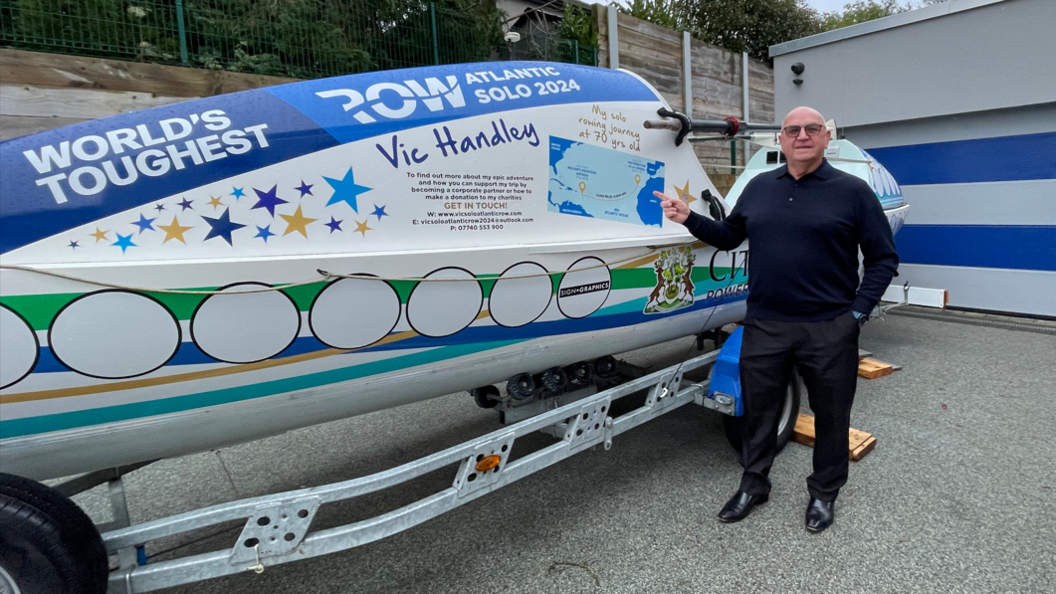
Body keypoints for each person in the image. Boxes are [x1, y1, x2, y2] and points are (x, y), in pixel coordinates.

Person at [654, 106, 898, 533]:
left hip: (829, 327)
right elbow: (729, 236)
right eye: (792, 130)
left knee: (832, 416)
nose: (802, 135)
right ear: (781, 140)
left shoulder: (853, 192)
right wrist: (688, 216)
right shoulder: (759, 188)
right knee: (759, 411)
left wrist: (856, 314)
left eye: (812, 129)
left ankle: (824, 493)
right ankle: (754, 483)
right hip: (766, 323)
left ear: (826, 139)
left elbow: (883, 259)